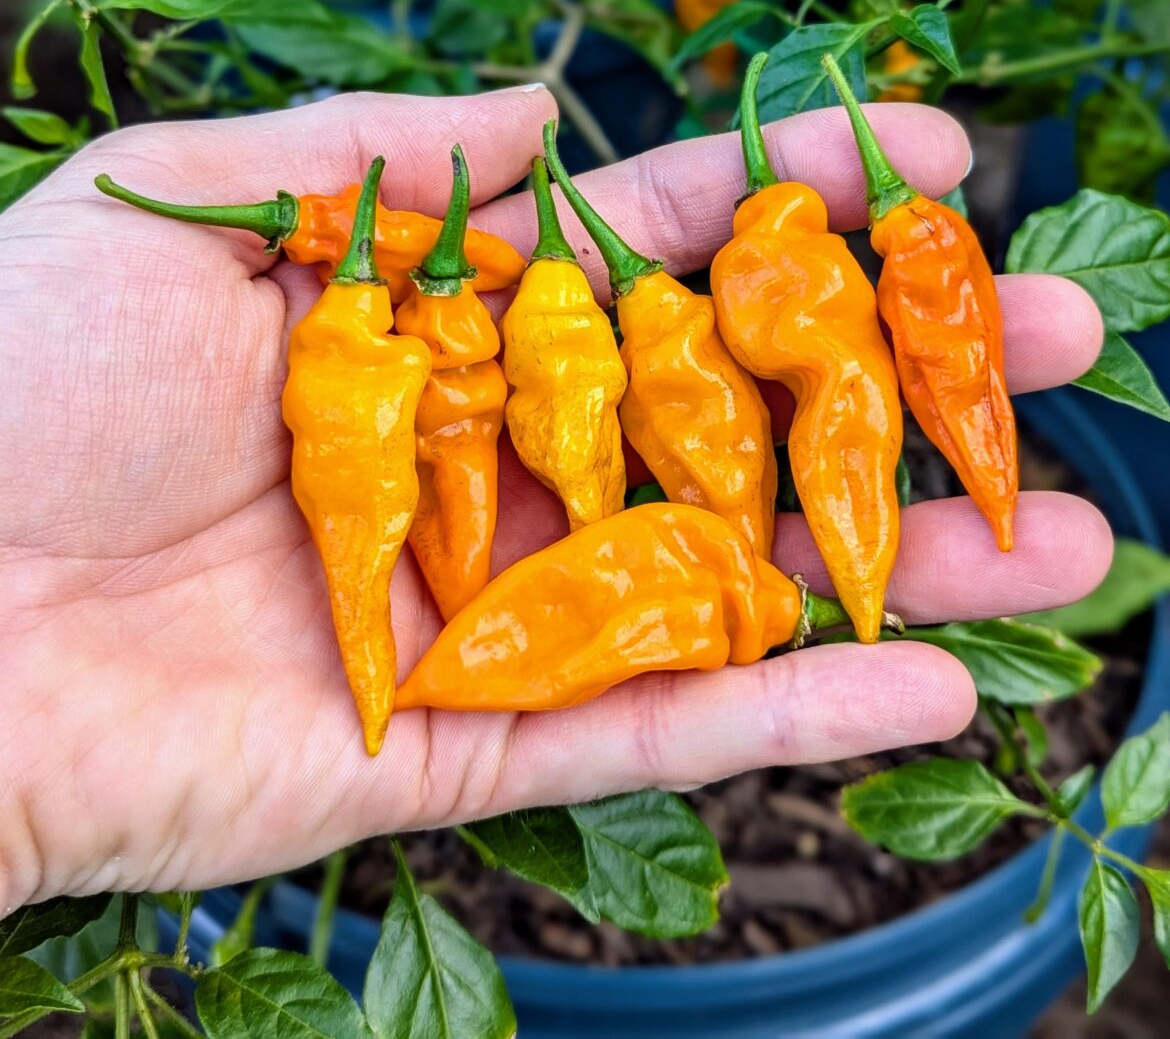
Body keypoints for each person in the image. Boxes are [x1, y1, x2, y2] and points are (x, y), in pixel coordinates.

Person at [0, 85, 1109, 912]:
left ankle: (868, 583)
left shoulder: (692, 303)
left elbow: (840, 393)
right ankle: (844, 593)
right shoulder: (404, 344)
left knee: (831, 403)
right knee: (471, 481)